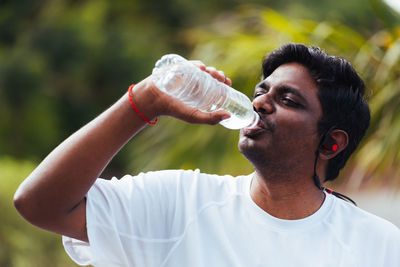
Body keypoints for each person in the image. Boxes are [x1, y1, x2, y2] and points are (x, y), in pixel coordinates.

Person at [14, 43, 400, 266]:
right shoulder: (179, 202)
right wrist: (144, 102)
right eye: (262, 90)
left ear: (331, 143)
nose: (262, 102)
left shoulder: (378, 246)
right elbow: (39, 204)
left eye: (288, 100)